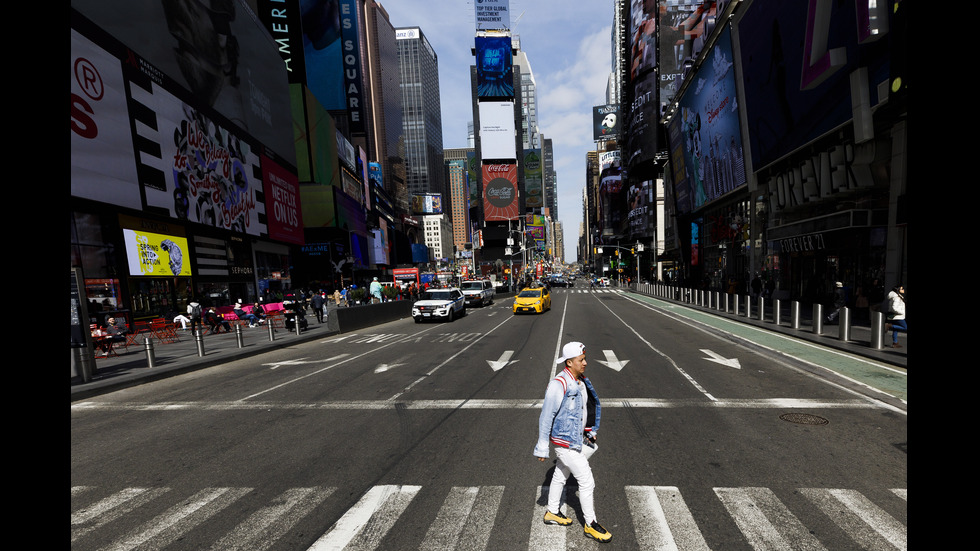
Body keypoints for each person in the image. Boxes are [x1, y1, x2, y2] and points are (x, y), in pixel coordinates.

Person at [533, 342, 612, 543]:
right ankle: (590, 524)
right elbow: (546, 416)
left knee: (560, 474)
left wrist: (590, 431)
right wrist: (542, 447)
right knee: (586, 481)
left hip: (575, 438)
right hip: (565, 442)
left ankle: (552, 512)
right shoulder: (559, 384)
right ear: (569, 362)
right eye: (581, 360)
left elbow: (586, 408)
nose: (585, 363)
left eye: (584, 358)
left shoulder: (581, 381)